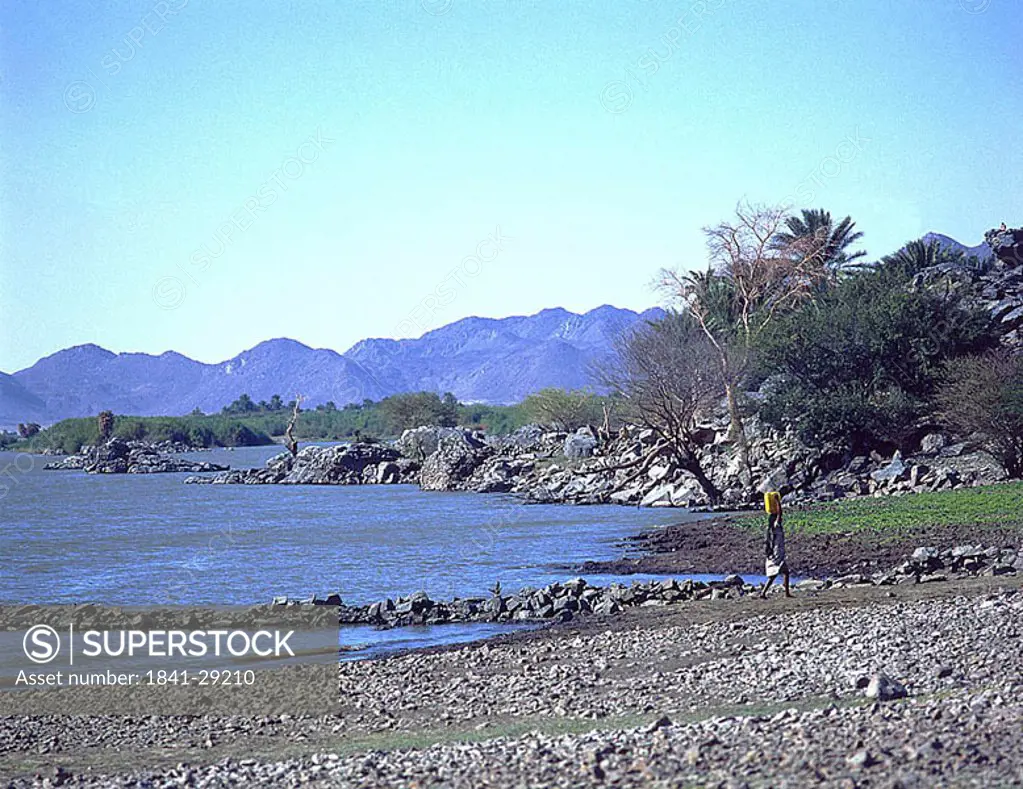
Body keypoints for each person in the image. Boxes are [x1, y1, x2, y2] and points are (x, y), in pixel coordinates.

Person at [759, 491, 792, 598]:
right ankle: (765, 593)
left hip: (774, 552)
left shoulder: (770, 528)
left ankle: (765, 593)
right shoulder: (776, 525)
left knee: (783, 573)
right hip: (778, 553)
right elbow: (780, 513)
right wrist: (778, 501)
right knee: (780, 573)